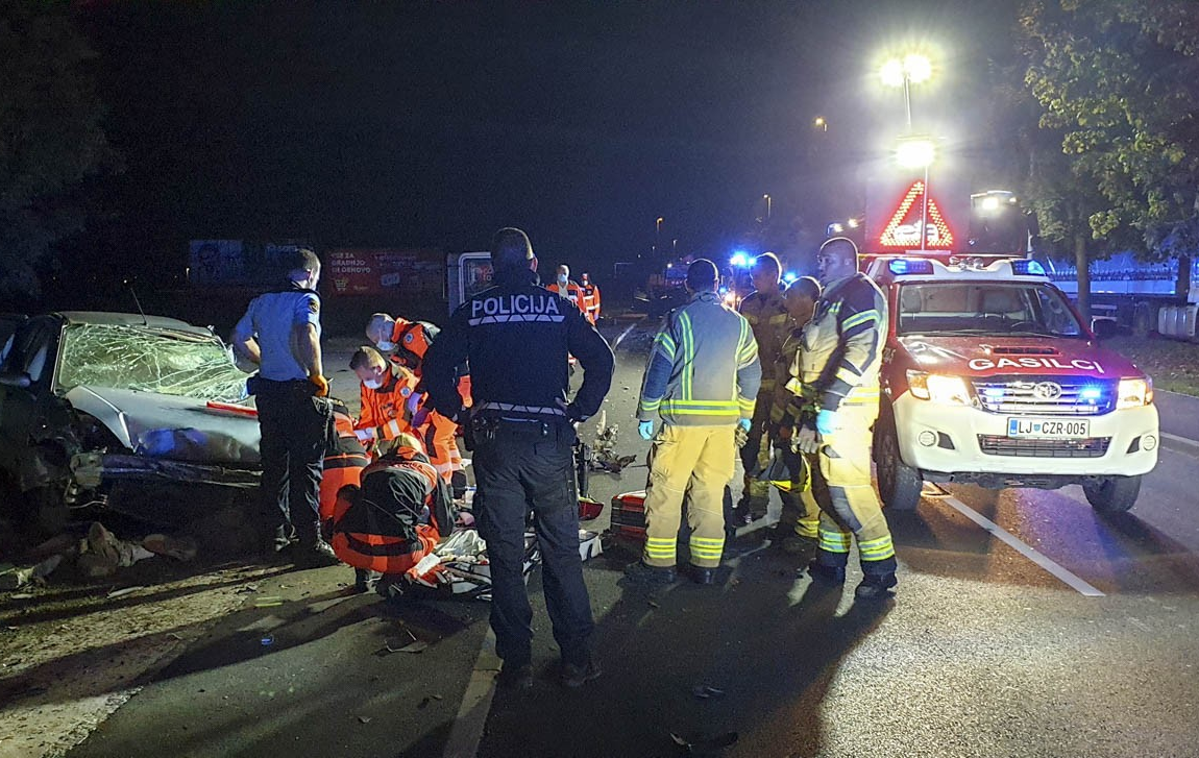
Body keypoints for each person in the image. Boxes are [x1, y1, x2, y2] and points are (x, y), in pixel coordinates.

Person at [422, 227, 614, 690]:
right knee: (561, 553)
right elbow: (601, 361)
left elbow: (434, 365)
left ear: (491, 268)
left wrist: (459, 413)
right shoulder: (557, 306)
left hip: (494, 447)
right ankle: (576, 660)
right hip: (548, 443)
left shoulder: (474, 311)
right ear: (533, 265)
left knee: (506, 556)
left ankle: (517, 664)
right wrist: (579, 411)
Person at [630, 259, 761, 585]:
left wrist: (647, 414)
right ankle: (706, 566)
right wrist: (744, 415)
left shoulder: (678, 320)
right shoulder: (740, 324)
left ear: (688, 285)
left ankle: (659, 566)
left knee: (667, 493)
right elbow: (753, 375)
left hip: (682, 426)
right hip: (722, 428)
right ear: (717, 284)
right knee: (710, 493)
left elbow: (658, 372)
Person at [789, 238, 896, 600]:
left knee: (847, 491)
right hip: (821, 410)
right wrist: (808, 412)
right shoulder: (832, 298)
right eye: (820, 258)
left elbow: (862, 349)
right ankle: (831, 560)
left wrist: (831, 405)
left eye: (828, 259)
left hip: (845, 411)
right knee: (824, 489)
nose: (821, 264)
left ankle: (881, 571)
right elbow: (814, 357)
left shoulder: (860, 293)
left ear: (849, 261)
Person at [232, 247, 339, 566]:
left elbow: (239, 336)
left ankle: (273, 539)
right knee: (306, 469)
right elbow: (307, 332)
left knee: (274, 468)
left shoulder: (261, 302)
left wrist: (265, 360)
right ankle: (310, 543)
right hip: (299, 394)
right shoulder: (305, 299)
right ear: (309, 275)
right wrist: (316, 374)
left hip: (269, 394)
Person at [329, 433, 454, 591]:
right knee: (432, 526)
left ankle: (363, 578)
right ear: (418, 451)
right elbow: (446, 526)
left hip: (351, 549)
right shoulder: (430, 472)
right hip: (401, 555)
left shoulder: (369, 470)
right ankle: (394, 577)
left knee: (351, 495)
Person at [350, 346, 463, 483]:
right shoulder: (368, 384)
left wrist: (372, 433)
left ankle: (445, 487)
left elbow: (404, 423)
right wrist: (360, 437)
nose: (365, 383)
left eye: (367, 378)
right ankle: (456, 482)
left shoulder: (404, 382)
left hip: (415, 434)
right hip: (390, 434)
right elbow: (367, 416)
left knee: (432, 458)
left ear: (378, 369)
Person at [767, 276, 823, 553]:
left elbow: (802, 385)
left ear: (805, 299)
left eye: (790, 296)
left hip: (800, 420)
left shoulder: (814, 336)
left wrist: (789, 421)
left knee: (804, 476)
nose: (785, 301)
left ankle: (808, 532)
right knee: (790, 473)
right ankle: (794, 519)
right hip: (786, 416)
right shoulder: (798, 332)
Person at [735, 252, 791, 523]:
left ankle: (792, 512)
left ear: (774, 276)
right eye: (752, 276)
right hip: (754, 389)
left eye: (758, 275)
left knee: (784, 448)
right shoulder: (747, 304)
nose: (753, 280)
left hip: (782, 391)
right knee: (750, 446)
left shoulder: (790, 304)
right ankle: (753, 502)